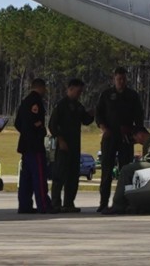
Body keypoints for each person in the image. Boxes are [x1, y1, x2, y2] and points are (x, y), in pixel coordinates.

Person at [93, 67, 145, 214]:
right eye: (118, 79)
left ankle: (125, 202)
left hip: (126, 138)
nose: (121, 81)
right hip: (110, 136)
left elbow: (138, 117)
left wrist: (136, 134)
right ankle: (103, 203)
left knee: (125, 171)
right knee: (106, 171)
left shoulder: (132, 96)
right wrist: (104, 129)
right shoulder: (106, 95)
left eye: (123, 79)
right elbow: (99, 114)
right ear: (114, 79)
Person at [48, 79, 93, 213]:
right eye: (78, 91)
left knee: (73, 176)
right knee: (59, 175)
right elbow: (52, 125)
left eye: (81, 92)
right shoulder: (61, 105)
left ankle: (69, 203)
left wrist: (92, 114)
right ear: (70, 89)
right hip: (63, 146)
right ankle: (55, 203)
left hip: (75, 145)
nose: (80, 94)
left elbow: (85, 120)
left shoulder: (78, 106)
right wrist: (60, 139)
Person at [13, 78, 51, 214]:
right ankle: (44, 205)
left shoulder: (24, 102)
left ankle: (24, 205)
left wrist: (25, 132)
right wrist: (40, 131)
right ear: (40, 87)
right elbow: (35, 122)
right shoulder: (36, 102)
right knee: (39, 176)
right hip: (34, 145)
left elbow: (17, 123)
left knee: (26, 178)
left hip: (25, 145)